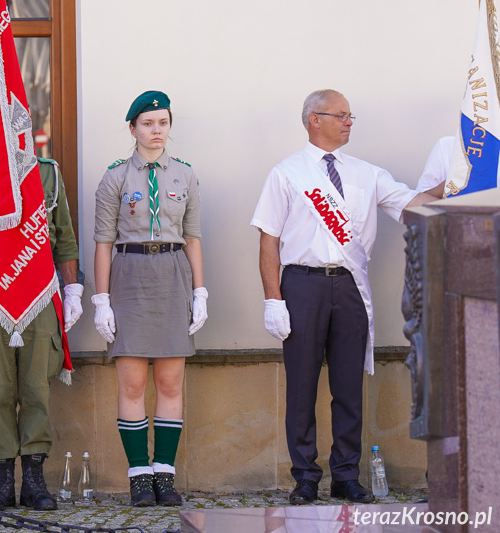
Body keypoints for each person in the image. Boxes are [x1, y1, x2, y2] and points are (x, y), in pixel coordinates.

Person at [250, 89, 442, 505]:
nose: (349, 121)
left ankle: (345, 475)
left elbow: (414, 205)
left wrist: (457, 185)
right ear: (314, 119)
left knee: (348, 386)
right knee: (301, 386)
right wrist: (273, 299)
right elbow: (269, 240)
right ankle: (304, 477)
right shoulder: (287, 173)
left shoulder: (366, 173)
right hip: (302, 283)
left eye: (351, 116)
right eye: (341, 115)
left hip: (351, 285)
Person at [91, 91, 208, 507]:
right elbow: (104, 242)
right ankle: (139, 474)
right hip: (130, 274)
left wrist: (200, 290)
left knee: (170, 381)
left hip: (173, 273)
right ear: (133, 128)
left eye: (162, 123)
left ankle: (165, 473)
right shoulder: (116, 177)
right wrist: (101, 299)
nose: (156, 131)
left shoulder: (186, 175)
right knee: (134, 380)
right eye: (148, 123)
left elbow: (192, 237)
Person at [0, 156, 83, 511]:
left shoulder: (47, 172)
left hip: (40, 286)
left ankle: (33, 480)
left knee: (36, 385)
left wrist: (73, 288)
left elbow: (62, 234)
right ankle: (1, 479)